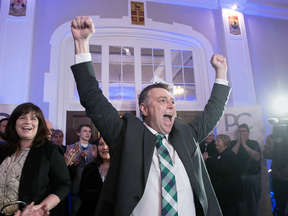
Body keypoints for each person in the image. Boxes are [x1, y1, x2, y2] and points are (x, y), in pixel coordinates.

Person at [70, 16, 231, 216]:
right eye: (162, 100)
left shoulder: (186, 134)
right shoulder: (124, 134)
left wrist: (221, 72)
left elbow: (213, 111)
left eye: (172, 101)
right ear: (144, 109)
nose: (171, 104)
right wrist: (81, 43)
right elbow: (92, 98)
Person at [0, 103, 71, 216]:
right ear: (14, 123)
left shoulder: (50, 151)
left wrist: (40, 207)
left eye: (33, 118)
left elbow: (63, 185)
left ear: (39, 125)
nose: (28, 121)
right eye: (22, 117)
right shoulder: (3, 150)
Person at [203, 134, 243, 216]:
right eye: (216, 141)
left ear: (225, 143)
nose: (216, 143)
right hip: (222, 195)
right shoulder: (217, 154)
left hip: (229, 196)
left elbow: (222, 169)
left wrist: (208, 160)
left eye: (218, 141)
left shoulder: (229, 155)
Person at [230, 123, 261, 216]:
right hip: (237, 178)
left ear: (248, 132)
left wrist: (244, 145)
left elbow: (257, 157)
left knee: (252, 204)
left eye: (243, 131)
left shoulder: (254, 143)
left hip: (252, 177)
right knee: (240, 205)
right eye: (239, 131)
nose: (241, 133)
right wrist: (239, 143)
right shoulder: (233, 143)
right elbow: (230, 157)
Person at [76, 137, 110, 216]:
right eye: (101, 144)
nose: (104, 147)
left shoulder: (121, 169)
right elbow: (85, 196)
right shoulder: (90, 168)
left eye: (107, 143)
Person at [69, 124, 95, 216]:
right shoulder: (71, 148)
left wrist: (87, 157)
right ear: (78, 133)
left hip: (91, 191)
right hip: (76, 191)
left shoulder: (94, 148)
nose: (88, 133)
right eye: (85, 131)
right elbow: (66, 171)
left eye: (89, 131)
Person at [263, 127, 288, 216]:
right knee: (279, 207)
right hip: (278, 177)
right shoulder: (271, 137)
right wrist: (276, 145)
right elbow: (266, 154)